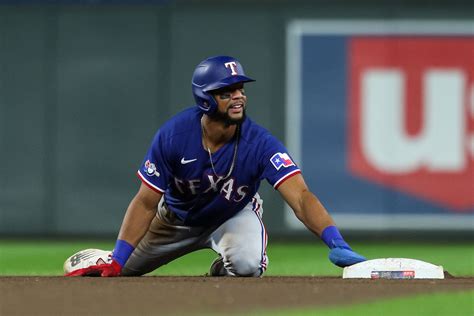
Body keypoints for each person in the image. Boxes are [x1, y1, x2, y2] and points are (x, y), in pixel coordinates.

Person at [66, 55, 366, 277]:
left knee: (248, 266)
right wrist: (119, 258)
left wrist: (334, 240)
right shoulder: (174, 136)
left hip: (231, 216)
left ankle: (222, 270)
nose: (238, 97)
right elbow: (145, 202)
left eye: (240, 89)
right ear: (206, 99)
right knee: (122, 272)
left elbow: (300, 197)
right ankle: (101, 257)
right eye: (227, 92)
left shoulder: (260, 143)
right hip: (174, 221)